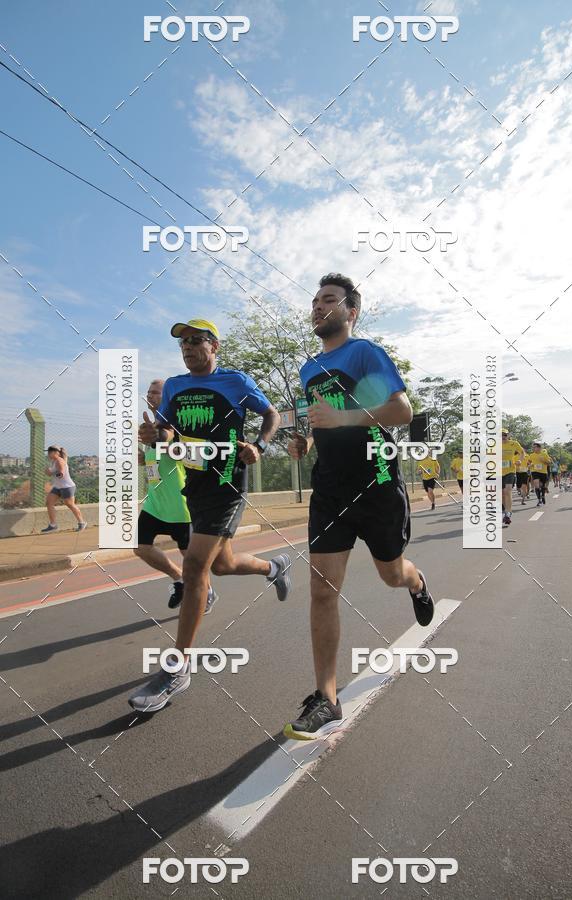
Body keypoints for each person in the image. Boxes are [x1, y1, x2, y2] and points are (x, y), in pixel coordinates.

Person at [283, 273, 434, 741]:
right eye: (314, 300)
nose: (317, 306)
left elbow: (402, 411)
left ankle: (417, 581)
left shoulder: (365, 353)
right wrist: (305, 441)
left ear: (350, 312)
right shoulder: (308, 369)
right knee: (322, 590)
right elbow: (318, 421)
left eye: (328, 299)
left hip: (377, 482)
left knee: (392, 574)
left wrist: (344, 417)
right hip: (330, 489)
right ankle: (327, 699)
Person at [129, 319, 289, 713]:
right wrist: (154, 436)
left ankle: (178, 667)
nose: (187, 347)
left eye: (195, 340)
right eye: (182, 343)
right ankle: (273, 567)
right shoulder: (175, 386)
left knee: (195, 564)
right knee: (222, 564)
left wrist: (259, 445)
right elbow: (167, 431)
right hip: (195, 485)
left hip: (228, 482)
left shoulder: (236, 381)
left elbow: (272, 415)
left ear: (214, 346)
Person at [136, 378, 217, 612]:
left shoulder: (175, 425)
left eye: (156, 392)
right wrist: (145, 459)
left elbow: (172, 441)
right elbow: (158, 459)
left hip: (179, 505)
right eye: (149, 392)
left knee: (192, 559)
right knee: (140, 547)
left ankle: (208, 592)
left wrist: (160, 440)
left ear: (167, 397)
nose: (150, 395)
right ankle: (178, 578)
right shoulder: (150, 427)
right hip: (155, 503)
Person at [41, 446, 86, 533]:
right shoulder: (54, 461)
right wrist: (48, 472)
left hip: (67, 486)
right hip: (57, 487)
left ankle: (82, 523)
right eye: (48, 452)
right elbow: (53, 473)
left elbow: (61, 474)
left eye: (49, 452)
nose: (48, 454)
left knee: (70, 504)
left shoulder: (59, 461)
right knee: (49, 503)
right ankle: (53, 525)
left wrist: (51, 473)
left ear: (56, 452)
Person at [501, 429, 525, 526]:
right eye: (501, 435)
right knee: (502, 494)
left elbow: (522, 452)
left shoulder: (514, 443)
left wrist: (520, 460)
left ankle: (508, 513)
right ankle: (505, 509)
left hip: (510, 471)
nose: (503, 437)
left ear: (508, 435)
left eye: (505, 435)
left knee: (508, 491)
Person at [529, 442, 552, 507]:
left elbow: (549, 463)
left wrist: (544, 461)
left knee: (542, 486)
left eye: (535, 447)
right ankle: (539, 500)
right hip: (535, 471)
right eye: (533, 447)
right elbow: (529, 462)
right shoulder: (531, 455)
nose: (533, 448)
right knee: (536, 485)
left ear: (539, 448)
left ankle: (543, 496)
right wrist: (530, 465)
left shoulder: (544, 454)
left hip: (543, 472)